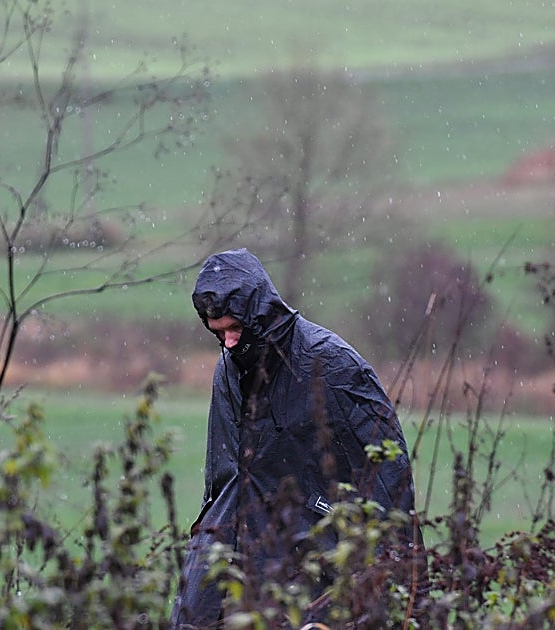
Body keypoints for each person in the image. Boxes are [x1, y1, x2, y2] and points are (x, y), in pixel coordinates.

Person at [171, 248, 421, 628]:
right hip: (251, 567)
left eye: (235, 328)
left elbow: (388, 480)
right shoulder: (229, 371)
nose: (229, 342)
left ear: (259, 315)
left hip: (320, 563)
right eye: (218, 332)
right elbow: (224, 483)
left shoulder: (332, 365)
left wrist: (398, 585)